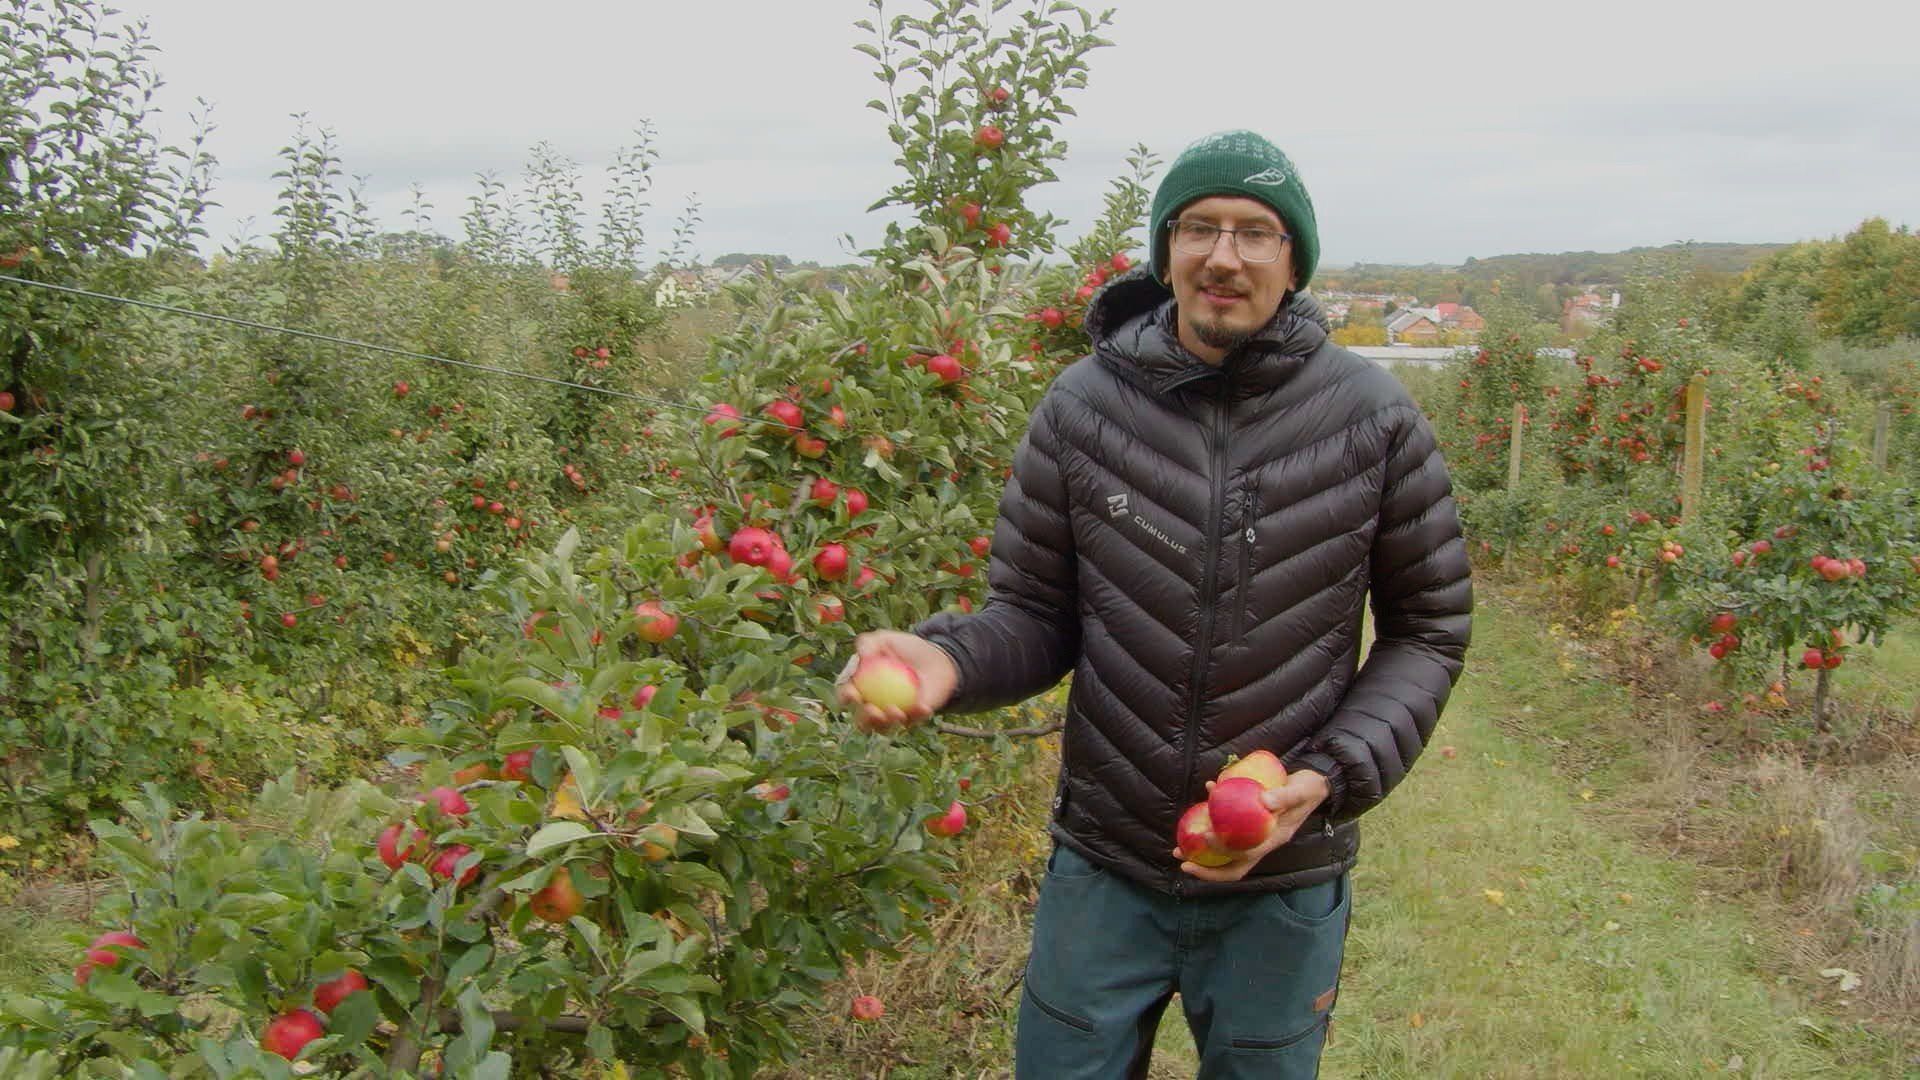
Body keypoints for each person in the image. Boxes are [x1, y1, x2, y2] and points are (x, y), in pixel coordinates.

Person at [836, 129, 1473, 1079]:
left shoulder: (1371, 418)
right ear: (1166, 248)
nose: (1224, 256)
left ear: (1293, 259)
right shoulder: (1082, 409)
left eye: (1255, 233)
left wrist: (1331, 775)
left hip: (1283, 875)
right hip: (1106, 864)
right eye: (1199, 228)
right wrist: (952, 661)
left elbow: (1427, 630)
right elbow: (1036, 613)